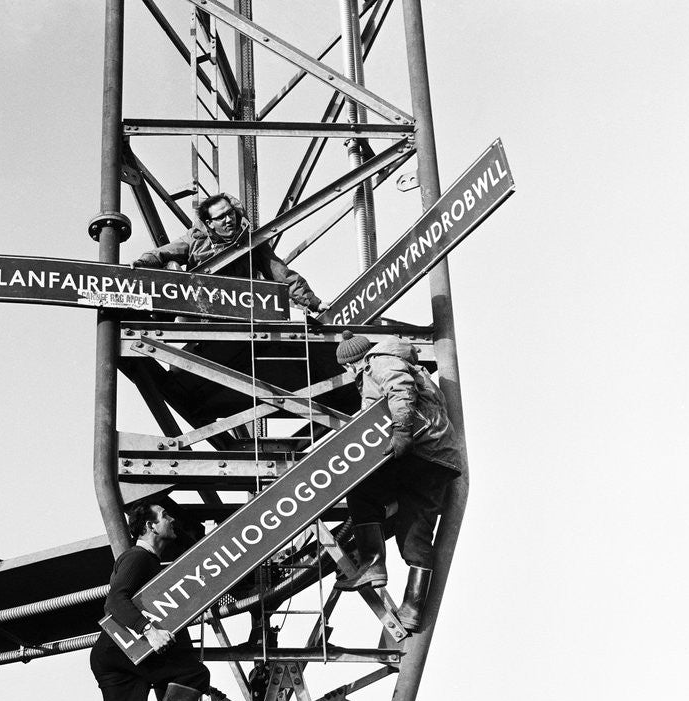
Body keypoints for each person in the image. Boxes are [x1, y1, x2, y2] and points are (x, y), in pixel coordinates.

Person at [89, 501, 210, 701]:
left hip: (113, 657)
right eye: (166, 516)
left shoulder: (149, 561)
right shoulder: (138, 557)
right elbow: (116, 600)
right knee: (194, 672)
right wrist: (149, 630)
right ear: (150, 526)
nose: (172, 520)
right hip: (124, 650)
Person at [334, 332, 462, 633]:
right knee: (415, 533)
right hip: (439, 459)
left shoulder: (378, 362)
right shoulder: (405, 363)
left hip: (418, 450)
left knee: (361, 489)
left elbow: (399, 390)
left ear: (352, 363)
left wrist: (401, 430)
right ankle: (412, 609)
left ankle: (373, 563)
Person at [133, 192, 322, 313]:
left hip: (239, 309)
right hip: (200, 309)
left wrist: (313, 302)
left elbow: (282, 274)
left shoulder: (252, 242)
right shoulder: (195, 240)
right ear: (209, 223)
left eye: (230, 213)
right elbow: (162, 253)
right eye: (221, 217)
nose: (229, 219)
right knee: (171, 267)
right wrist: (142, 263)